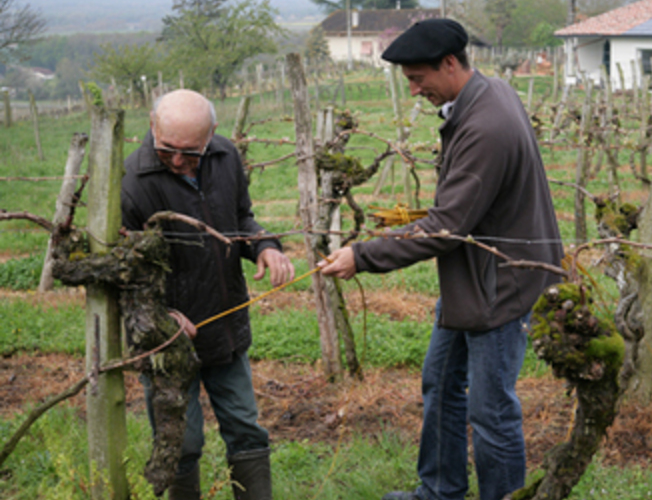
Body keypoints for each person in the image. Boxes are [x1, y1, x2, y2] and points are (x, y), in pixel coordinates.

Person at [318, 18, 564, 500]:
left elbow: (446, 229)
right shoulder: (487, 95)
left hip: (500, 286)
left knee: (491, 410)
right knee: (441, 383)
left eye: (417, 78)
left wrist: (361, 256)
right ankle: (440, 490)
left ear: (450, 64)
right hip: (472, 281)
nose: (413, 91)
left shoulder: (485, 126)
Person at [122, 89, 295, 500]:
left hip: (226, 328)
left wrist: (265, 245)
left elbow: (240, 219)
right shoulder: (131, 183)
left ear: (211, 136)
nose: (179, 161)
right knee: (182, 443)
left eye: (191, 152)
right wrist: (161, 314)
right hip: (167, 341)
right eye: (168, 149)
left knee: (246, 430)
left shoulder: (226, 157)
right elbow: (123, 276)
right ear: (152, 125)